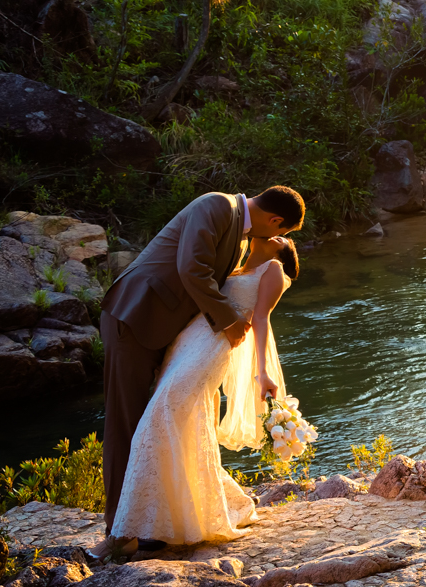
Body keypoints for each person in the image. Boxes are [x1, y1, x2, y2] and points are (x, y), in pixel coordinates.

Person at [93, 186, 304, 558]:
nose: (278, 239)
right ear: (275, 221)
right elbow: (192, 269)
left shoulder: (242, 239)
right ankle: (120, 528)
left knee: (163, 419)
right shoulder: (217, 206)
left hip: (170, 334)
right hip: (136, 315)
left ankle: (153, 520)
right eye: (283, 232)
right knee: (127, 421)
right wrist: (229, 322)